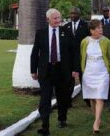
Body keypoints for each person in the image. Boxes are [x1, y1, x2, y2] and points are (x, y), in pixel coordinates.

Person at [30, 8, 79, 136]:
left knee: (62, 97)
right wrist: (33, 70)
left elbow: (74, 52)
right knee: (44, 99)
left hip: (62, 70)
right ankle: (45, 126)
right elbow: (35, 52)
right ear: (48, 20)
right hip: (46, 71)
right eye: (55, 18)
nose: (58, 20)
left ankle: (62, 119)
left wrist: (75, 69)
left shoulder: (66, 32)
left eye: (59, 18)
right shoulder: (40, 33)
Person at [80, 19, 110, 134]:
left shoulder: (106, 41)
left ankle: (96, 122)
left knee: (100, 97)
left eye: (101, 28)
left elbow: (109, 57)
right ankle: (97, 119)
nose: (101, 30)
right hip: (89, 73)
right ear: (92, 30)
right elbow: (82, 57)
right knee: (92, 98)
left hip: (102, 72)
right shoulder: (85, 42)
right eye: (98, 28)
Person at [63, 7, 90, 108]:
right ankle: (68, 101)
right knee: (69, 80)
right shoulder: (66, 27)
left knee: (84, 79)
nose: (73, 15)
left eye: (75, 13)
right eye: (71, 13)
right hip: (70, 58)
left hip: (83, 57)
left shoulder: (86, 26)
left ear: (79, 14)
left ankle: (87, 100)